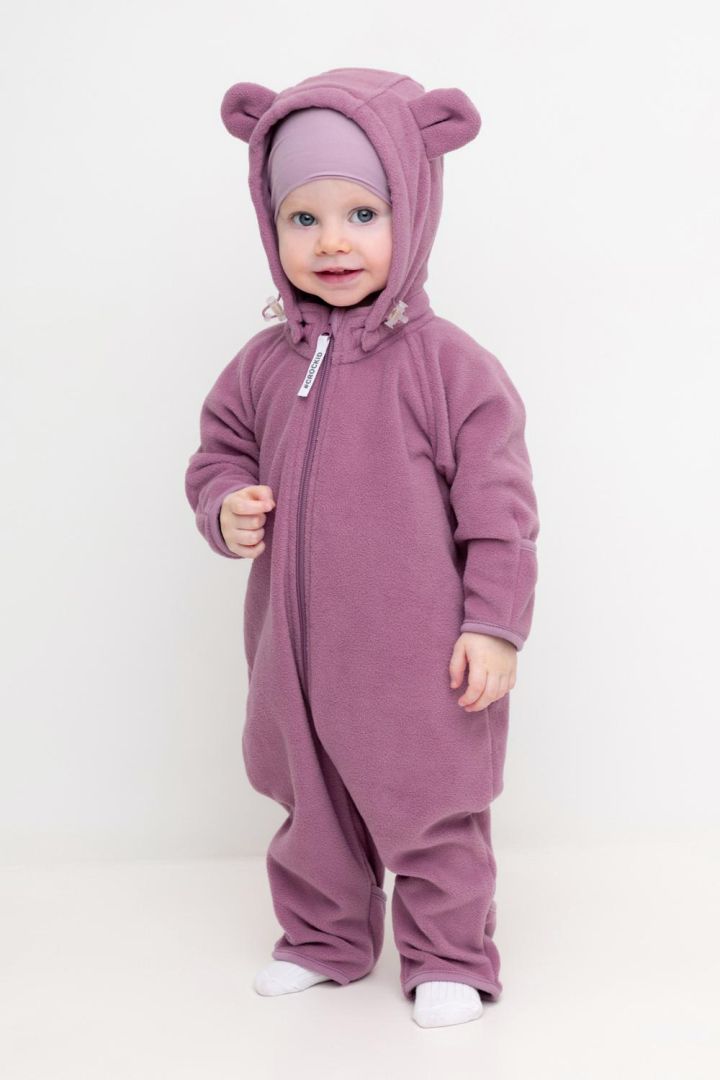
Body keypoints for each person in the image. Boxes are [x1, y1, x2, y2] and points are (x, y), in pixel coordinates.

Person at [184, 67, 540, 1029]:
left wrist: (494, 625)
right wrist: (225, 504)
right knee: (311, 808)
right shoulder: (263, 365)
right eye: (303, 218)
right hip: (293, 658)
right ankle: (322, 939)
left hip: (419, 660)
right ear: (270, 225)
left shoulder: (449, 367)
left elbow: (501, 512)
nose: (333, 241)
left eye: (363, 213)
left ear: (412, 211)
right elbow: (217, 453)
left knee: (432, 808)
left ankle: (449, 954)